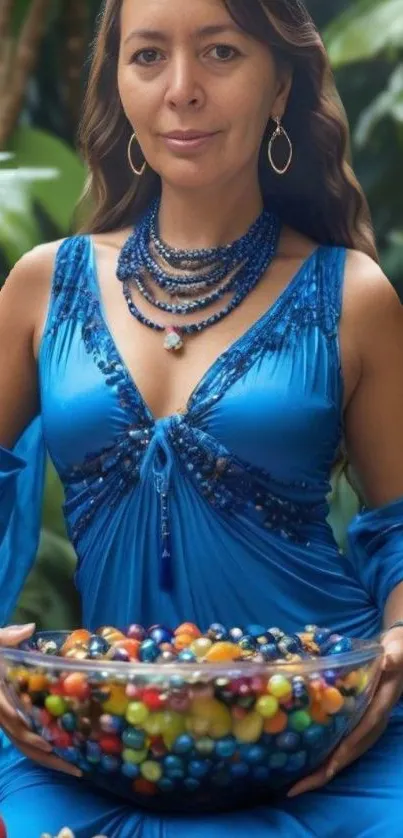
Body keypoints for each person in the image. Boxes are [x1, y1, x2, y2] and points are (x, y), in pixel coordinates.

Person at [0, 0, 403, 835]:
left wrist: (398, 647)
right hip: (99, 739)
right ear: (118, 80)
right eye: (148, 56)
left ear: (281, 84)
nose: (181, 90)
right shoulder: (43, 286)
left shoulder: (352, 294)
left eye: (220, 52)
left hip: (324, 738)